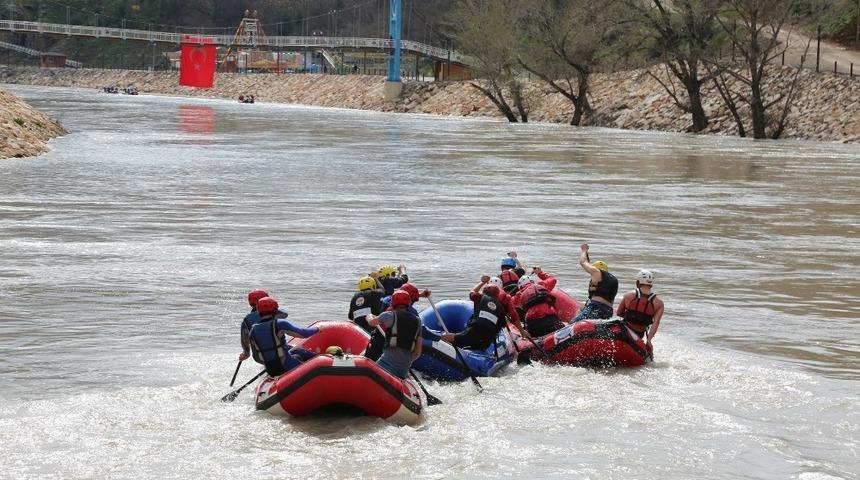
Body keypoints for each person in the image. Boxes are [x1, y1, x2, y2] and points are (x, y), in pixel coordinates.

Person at [441, 275, 528, 350]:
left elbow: (472, 292)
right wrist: (522, 331)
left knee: (448, 337)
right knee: (473, 343)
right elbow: (509, 320)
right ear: (497, 294)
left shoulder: (479, 297)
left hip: (473, 332)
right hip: (486, 341)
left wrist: (482, 282)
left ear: (484, 292)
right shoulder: (501, 308)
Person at [247, 297, 320, 377]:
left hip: (270, 370)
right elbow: (303, 334)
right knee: (300, 355)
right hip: (286, 365)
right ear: (275, 310)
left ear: (258, 312)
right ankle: (323, 362)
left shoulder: (253, 330)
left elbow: (256, 357)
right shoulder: (279, 324)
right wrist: (317, 328)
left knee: (297, 350)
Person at [367, 282, 438, 360]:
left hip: (379, 337)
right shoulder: (412, 313)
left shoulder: (386, 300)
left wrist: (420, 295)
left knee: (372, 358)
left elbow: (401, 296)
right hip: (394, 344)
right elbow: (422, 331)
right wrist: (440, 336)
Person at [365, 290, 422, 379]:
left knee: (368, 378)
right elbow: (417, 353)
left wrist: (368, 315)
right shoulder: (418, 321)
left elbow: (371, 323)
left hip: (386, 363)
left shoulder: (388, 316)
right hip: (404, 369)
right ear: (409, 303)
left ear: (393, 303)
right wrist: (404, 364)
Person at [616, 270, 664, 351]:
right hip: (639, 334)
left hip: (624, 330)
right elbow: (656, 323)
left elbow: (619, 313)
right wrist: (649, 340)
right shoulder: (659, 303)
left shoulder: (628, 295)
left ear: (638, 282)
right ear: (651, 284)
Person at [572, 243, 618, 323]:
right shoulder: (612, 279)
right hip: (607, 312)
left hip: (596, 308)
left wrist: (584, 250)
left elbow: (583, 262)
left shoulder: (596, 272)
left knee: (571, 325)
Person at [239, 289, 288, 362]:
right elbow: (285, 314)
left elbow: (244, 341)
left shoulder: (245, 321)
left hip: (259, 358)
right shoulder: (274, 313)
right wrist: (274, 307)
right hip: (279, 353)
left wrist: (246, 353)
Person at [513, 267, 564, 337]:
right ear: (532, 282)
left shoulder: (518, 295)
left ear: (520, 287)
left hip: (533, 325)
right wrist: (540, 273)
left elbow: (510, 306)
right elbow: (552, 279)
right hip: (551, 320)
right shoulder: (541, 285)